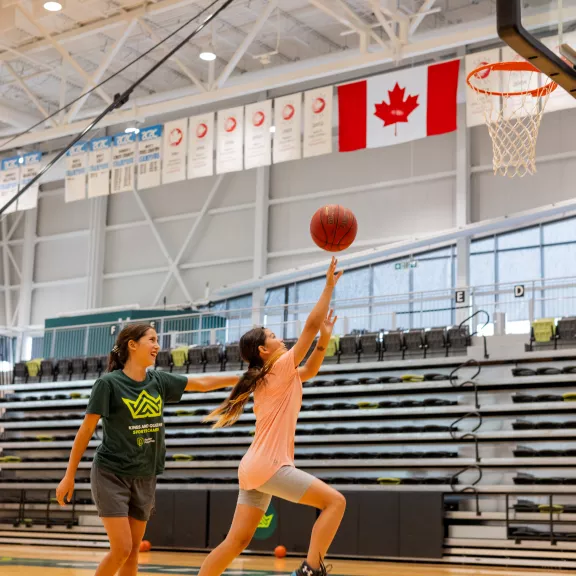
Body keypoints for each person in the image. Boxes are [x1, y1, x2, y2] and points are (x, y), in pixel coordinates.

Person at [199, 257, 345, 576]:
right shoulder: (277, 367)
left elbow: (310, 370)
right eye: (273, 335)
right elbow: (308, 327)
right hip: (270, 466)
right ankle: (310, 569)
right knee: (335, 503)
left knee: (235, 542)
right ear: (264, 350)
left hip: (254, 466)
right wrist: (328, 287)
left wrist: (324, 339)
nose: (280, 337)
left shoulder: (275, 374)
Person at [56, 323, 239, 576]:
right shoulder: (108, 384)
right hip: (111, 474)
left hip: (145, 474)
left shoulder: (158, 380)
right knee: (121, 548)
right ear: (132, 344)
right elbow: (85, 431)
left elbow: (202, 382)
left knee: (132, 554)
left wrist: (239, 378)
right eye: (151, 340)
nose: (157, 346)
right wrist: (69, 475)